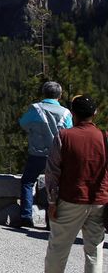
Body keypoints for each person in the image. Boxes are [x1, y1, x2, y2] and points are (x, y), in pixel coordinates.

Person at [44, 95, 106, 273]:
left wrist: (52, 202)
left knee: (58, 248)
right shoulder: (105, 137)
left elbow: (53, 172)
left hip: (71, 198)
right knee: (94, 251)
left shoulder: (64, 136)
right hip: (99, 201)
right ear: (95, 113)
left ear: (72, 114)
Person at [17, 81, 73, 228]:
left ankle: (26, 217)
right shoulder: (65, 113)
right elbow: (70, 133)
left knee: (27, 182)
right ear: (59, 95)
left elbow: (23, 123)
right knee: (55, 186)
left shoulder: (36, 109)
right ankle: (51, 221)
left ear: (44, 93)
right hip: (58, 156)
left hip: (37, 153)